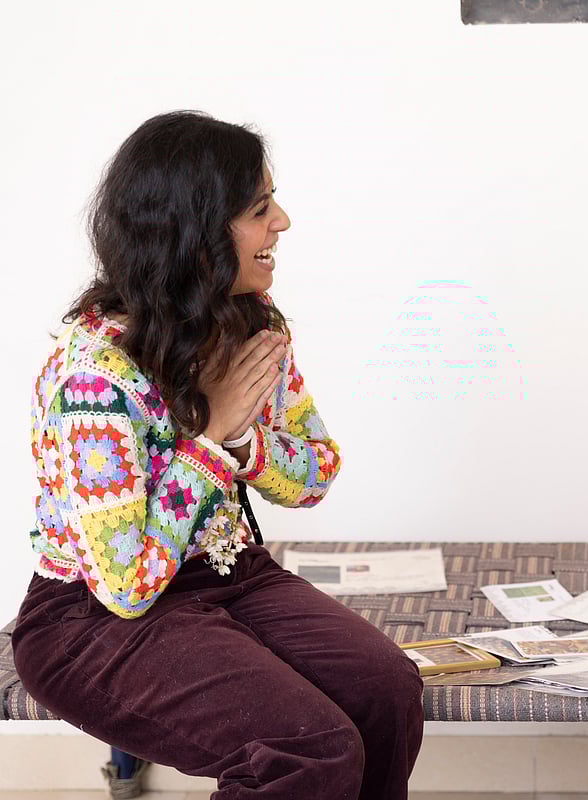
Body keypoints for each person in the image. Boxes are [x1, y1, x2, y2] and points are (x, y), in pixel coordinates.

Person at [12, 111, 424, 799]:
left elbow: (315, 473)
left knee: (385, 689)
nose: (282, 222)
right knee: (307, 749)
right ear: (196, 234)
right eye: (260, 209)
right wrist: (209, 437)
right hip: (91, 621)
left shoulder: (251, 325)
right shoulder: (94, 378)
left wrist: (242, 441)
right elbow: (126, 585)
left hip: (229, 575)